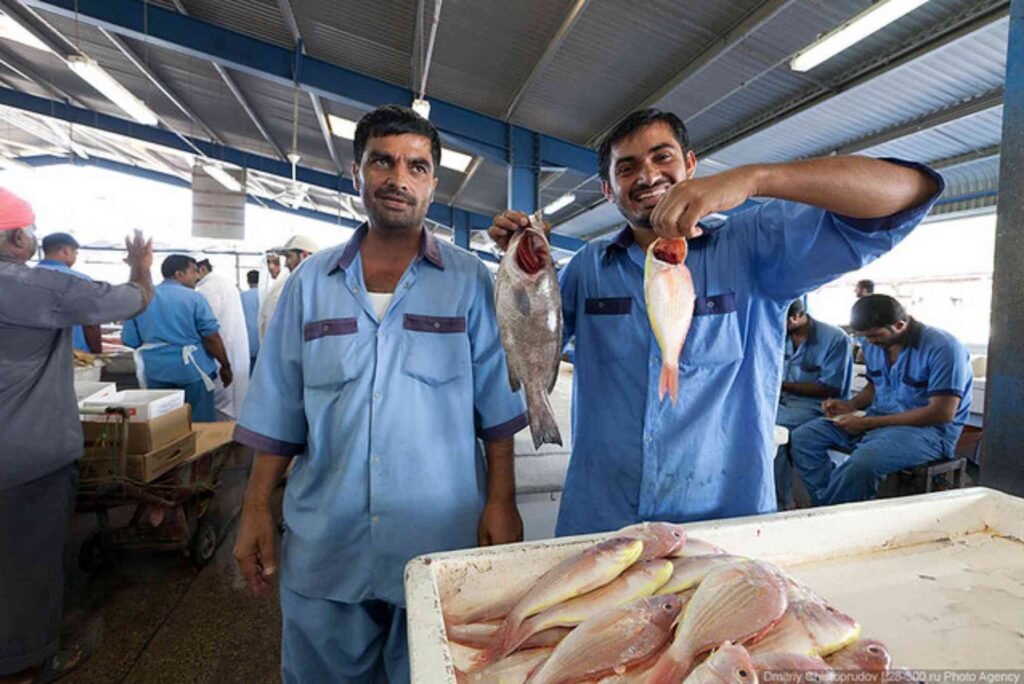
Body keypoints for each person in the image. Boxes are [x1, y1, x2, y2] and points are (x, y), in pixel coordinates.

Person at [489, 108, 942, 534]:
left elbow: (907, 193)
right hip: (604, 516)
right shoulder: (589, 267)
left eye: (661, 157)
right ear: (608, 190)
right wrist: (521, 267)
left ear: (689, 164)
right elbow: (525, 337)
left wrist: (755, 178)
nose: (647, 175)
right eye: (626, 168)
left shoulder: (756, 247)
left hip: (722, 522)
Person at [232, 105, 527, 684]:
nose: (399, 178)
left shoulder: (469, 282)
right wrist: (255, 507)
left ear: (435, 184)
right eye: (382, 162)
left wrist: (501, 501)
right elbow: (279, 410)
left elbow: (497, 410)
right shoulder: (310, 284)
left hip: (438, 539)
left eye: (417, 167)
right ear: (356, 173)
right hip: (326, 547)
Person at [0, 188, 153, 684]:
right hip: (24, 460)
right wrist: (140, 264)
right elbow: (132, 301)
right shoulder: (36, 286)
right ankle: (25, 667)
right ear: (19, 237)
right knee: (28, 570)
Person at [789, 295, 972, 506]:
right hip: (877, 420)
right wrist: (850, 406)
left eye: (875, 335)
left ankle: (829, 515)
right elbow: (874, 386)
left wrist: (867, 423)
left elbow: (941, 413)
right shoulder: (873, 344)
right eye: (863, 337)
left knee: (863, 463)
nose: (869, 342)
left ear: (900, 324)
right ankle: (828, 505)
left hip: (927, 433)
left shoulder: (944, 347)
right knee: (803, 438)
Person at [121, 254, 233, 422]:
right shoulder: (194, 298)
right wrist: (225, 365)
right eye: (193, 271)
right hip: (192, 371)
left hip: (156, 372)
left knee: (163, 424)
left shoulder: (143, 297)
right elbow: (211, 337)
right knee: (199, 423)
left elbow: (130, 339)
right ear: (179, 274)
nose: (196, 276)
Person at [774, 299, 852, 510]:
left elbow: (831, 387)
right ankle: (776, 500)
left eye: (782, 320)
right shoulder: (779, 334)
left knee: (775, 432)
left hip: (818, 405)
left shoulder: (834, 339)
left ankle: (782, 504)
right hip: (779, 401)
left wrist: (780, 385)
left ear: (796, 316)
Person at [195, 258, 250, 420]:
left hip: (219, 349)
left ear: (202, 269)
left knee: (220, 401)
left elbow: (206, 326)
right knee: (233, 398)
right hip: (231, 346)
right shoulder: (224, 283)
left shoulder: (207, 289)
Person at [35, 232, 102, 353]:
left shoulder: (23, 278)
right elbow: (91, 324)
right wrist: (97, 355)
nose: (75, 257)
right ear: (66, 251)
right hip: (73, 355)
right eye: (75, 253)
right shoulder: (81, 281)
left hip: (32, 355)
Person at [258, 235, 317, 342]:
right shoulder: (285, 288)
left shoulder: (290, 289)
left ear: (304, 256)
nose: (286, 263)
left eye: (288, 257)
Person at [241, 269, 260, 372]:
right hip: (262, 336)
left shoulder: (242, 296)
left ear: (247, 281)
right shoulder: (266, 295)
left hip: (247, 336)